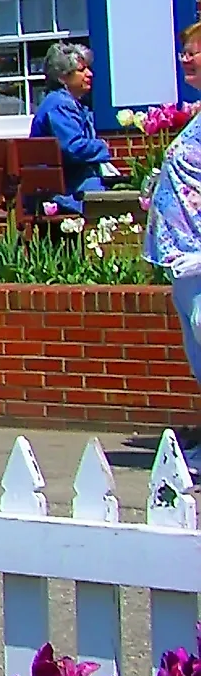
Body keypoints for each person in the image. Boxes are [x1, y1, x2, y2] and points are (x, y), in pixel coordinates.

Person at [142, 21, 201, 397]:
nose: (186, 59)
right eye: (184, 53)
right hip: (182, 255)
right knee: (195, 346)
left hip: (199, 253)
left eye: (193, 52)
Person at [27, 42, 114, 204]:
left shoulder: (74, 103)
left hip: (69, 185)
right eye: (81, 70)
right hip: (61, 193)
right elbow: (72, 148)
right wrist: (102, 146)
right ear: (62, 77)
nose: (90, 74)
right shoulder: (60, 104)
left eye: (88, 68)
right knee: (119, 203)